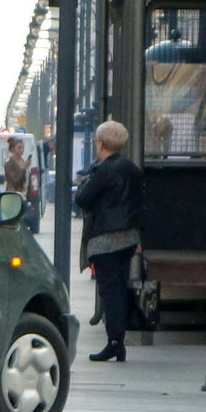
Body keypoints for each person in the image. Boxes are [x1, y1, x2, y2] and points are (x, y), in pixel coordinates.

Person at [76, 119, 143, 362]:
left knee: (110, 290)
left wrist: (85, 180)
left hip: (106, 239)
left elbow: (83, 199)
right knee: (119, 287)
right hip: (127, 237)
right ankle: (118, 340)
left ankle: (115, 342)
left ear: (101, 143)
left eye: (96, 141)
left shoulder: (103, 170)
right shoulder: (132, 169)